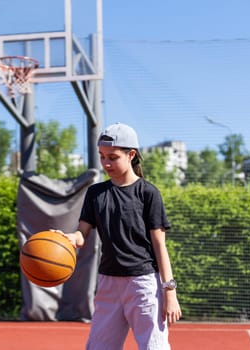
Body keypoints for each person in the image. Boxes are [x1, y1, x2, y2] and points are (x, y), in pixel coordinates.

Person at [58, 123, 181, 350]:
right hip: (108, 283)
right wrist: (67, 239)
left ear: (131, 154)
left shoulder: (148, 193)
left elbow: (160, 247)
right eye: (102, 156)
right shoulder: (96, 193)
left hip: (143, 284)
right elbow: (81, 234)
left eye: (112, 157)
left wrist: (169, 291)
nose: (106, 163)